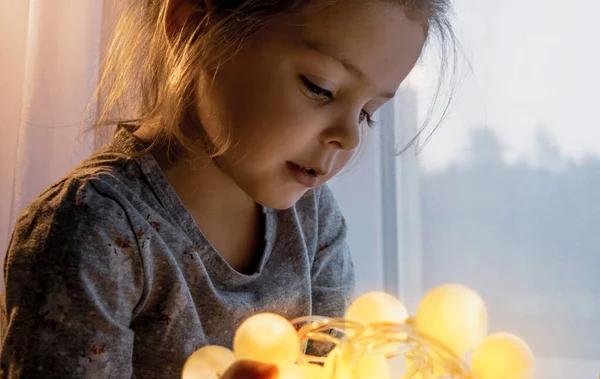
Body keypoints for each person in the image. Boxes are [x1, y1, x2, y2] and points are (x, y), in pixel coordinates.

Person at [0, 0, 453, 377]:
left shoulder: (315, 222)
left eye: (368, 113)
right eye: (321, 87)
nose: (350, 138)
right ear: (192, 27)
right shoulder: (95, 230)